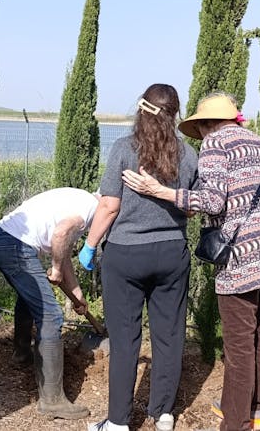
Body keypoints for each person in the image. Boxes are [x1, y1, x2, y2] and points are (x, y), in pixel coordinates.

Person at [122, 92, 260, 431]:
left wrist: (159, 191)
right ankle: (257, 409)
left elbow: (213, 201)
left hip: (244, 258)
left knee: (239, 345)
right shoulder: (258, 142)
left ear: (204, 124)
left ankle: (235, 423)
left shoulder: (216, 144)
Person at [82, 84, 199, 431]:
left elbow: (109, 205)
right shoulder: (188, 154)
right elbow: (191, 208)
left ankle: (118, 422)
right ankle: (162, 413)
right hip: (171, 254)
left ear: (141, 110)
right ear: (175, 115)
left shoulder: (123, 149)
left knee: (125, 340)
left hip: (125, 256)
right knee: (169, 335)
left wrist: (89, 246)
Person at [0, 187, 98, 420]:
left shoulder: (81, 200)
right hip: (15, 246)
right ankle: (52, 401)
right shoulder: (90, 209)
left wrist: (78, 295)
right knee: (51, 316)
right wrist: (56, 269)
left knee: (29, 300)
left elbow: (64, 252)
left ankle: (21, 354)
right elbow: (59, 236)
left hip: (3, 240)